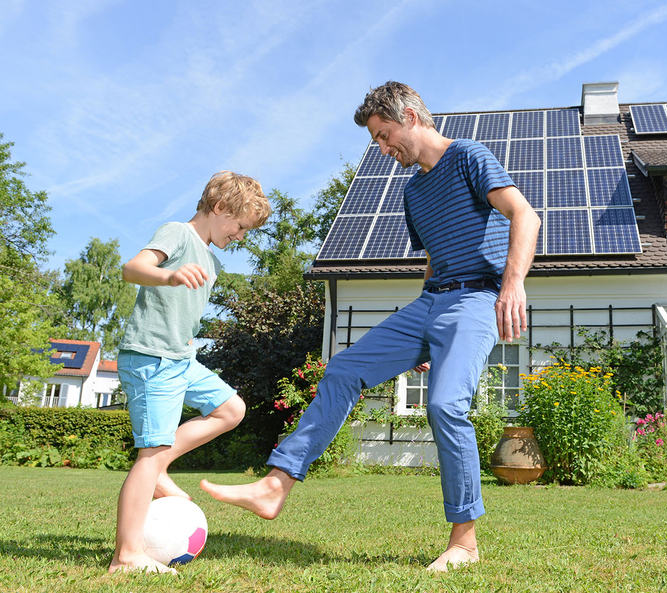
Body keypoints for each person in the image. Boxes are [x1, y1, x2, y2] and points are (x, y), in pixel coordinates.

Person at [200, 81, 541, 571]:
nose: (382, 148)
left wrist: (512, 285)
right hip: (432, 302)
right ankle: (276, 485)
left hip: (476, 297)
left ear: (409, 115)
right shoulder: (413, 190)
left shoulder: (468, 155)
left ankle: (464, 542)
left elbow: (523, 215)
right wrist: (421, 332)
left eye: (384, 135)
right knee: (343, 369)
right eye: (376, 141)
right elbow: (432, 259)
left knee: (446, 406)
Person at [108, 171, 272, 574]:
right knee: (150, 454)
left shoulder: (210, 259)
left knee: (231, 409)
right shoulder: (178, 234)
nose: (240, 235)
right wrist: (168, 274)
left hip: (180, 360)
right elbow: (133, 268)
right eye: (239, 226)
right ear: (219, 208)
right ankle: (126, 555)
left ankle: (160, 466)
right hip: (150, 357)